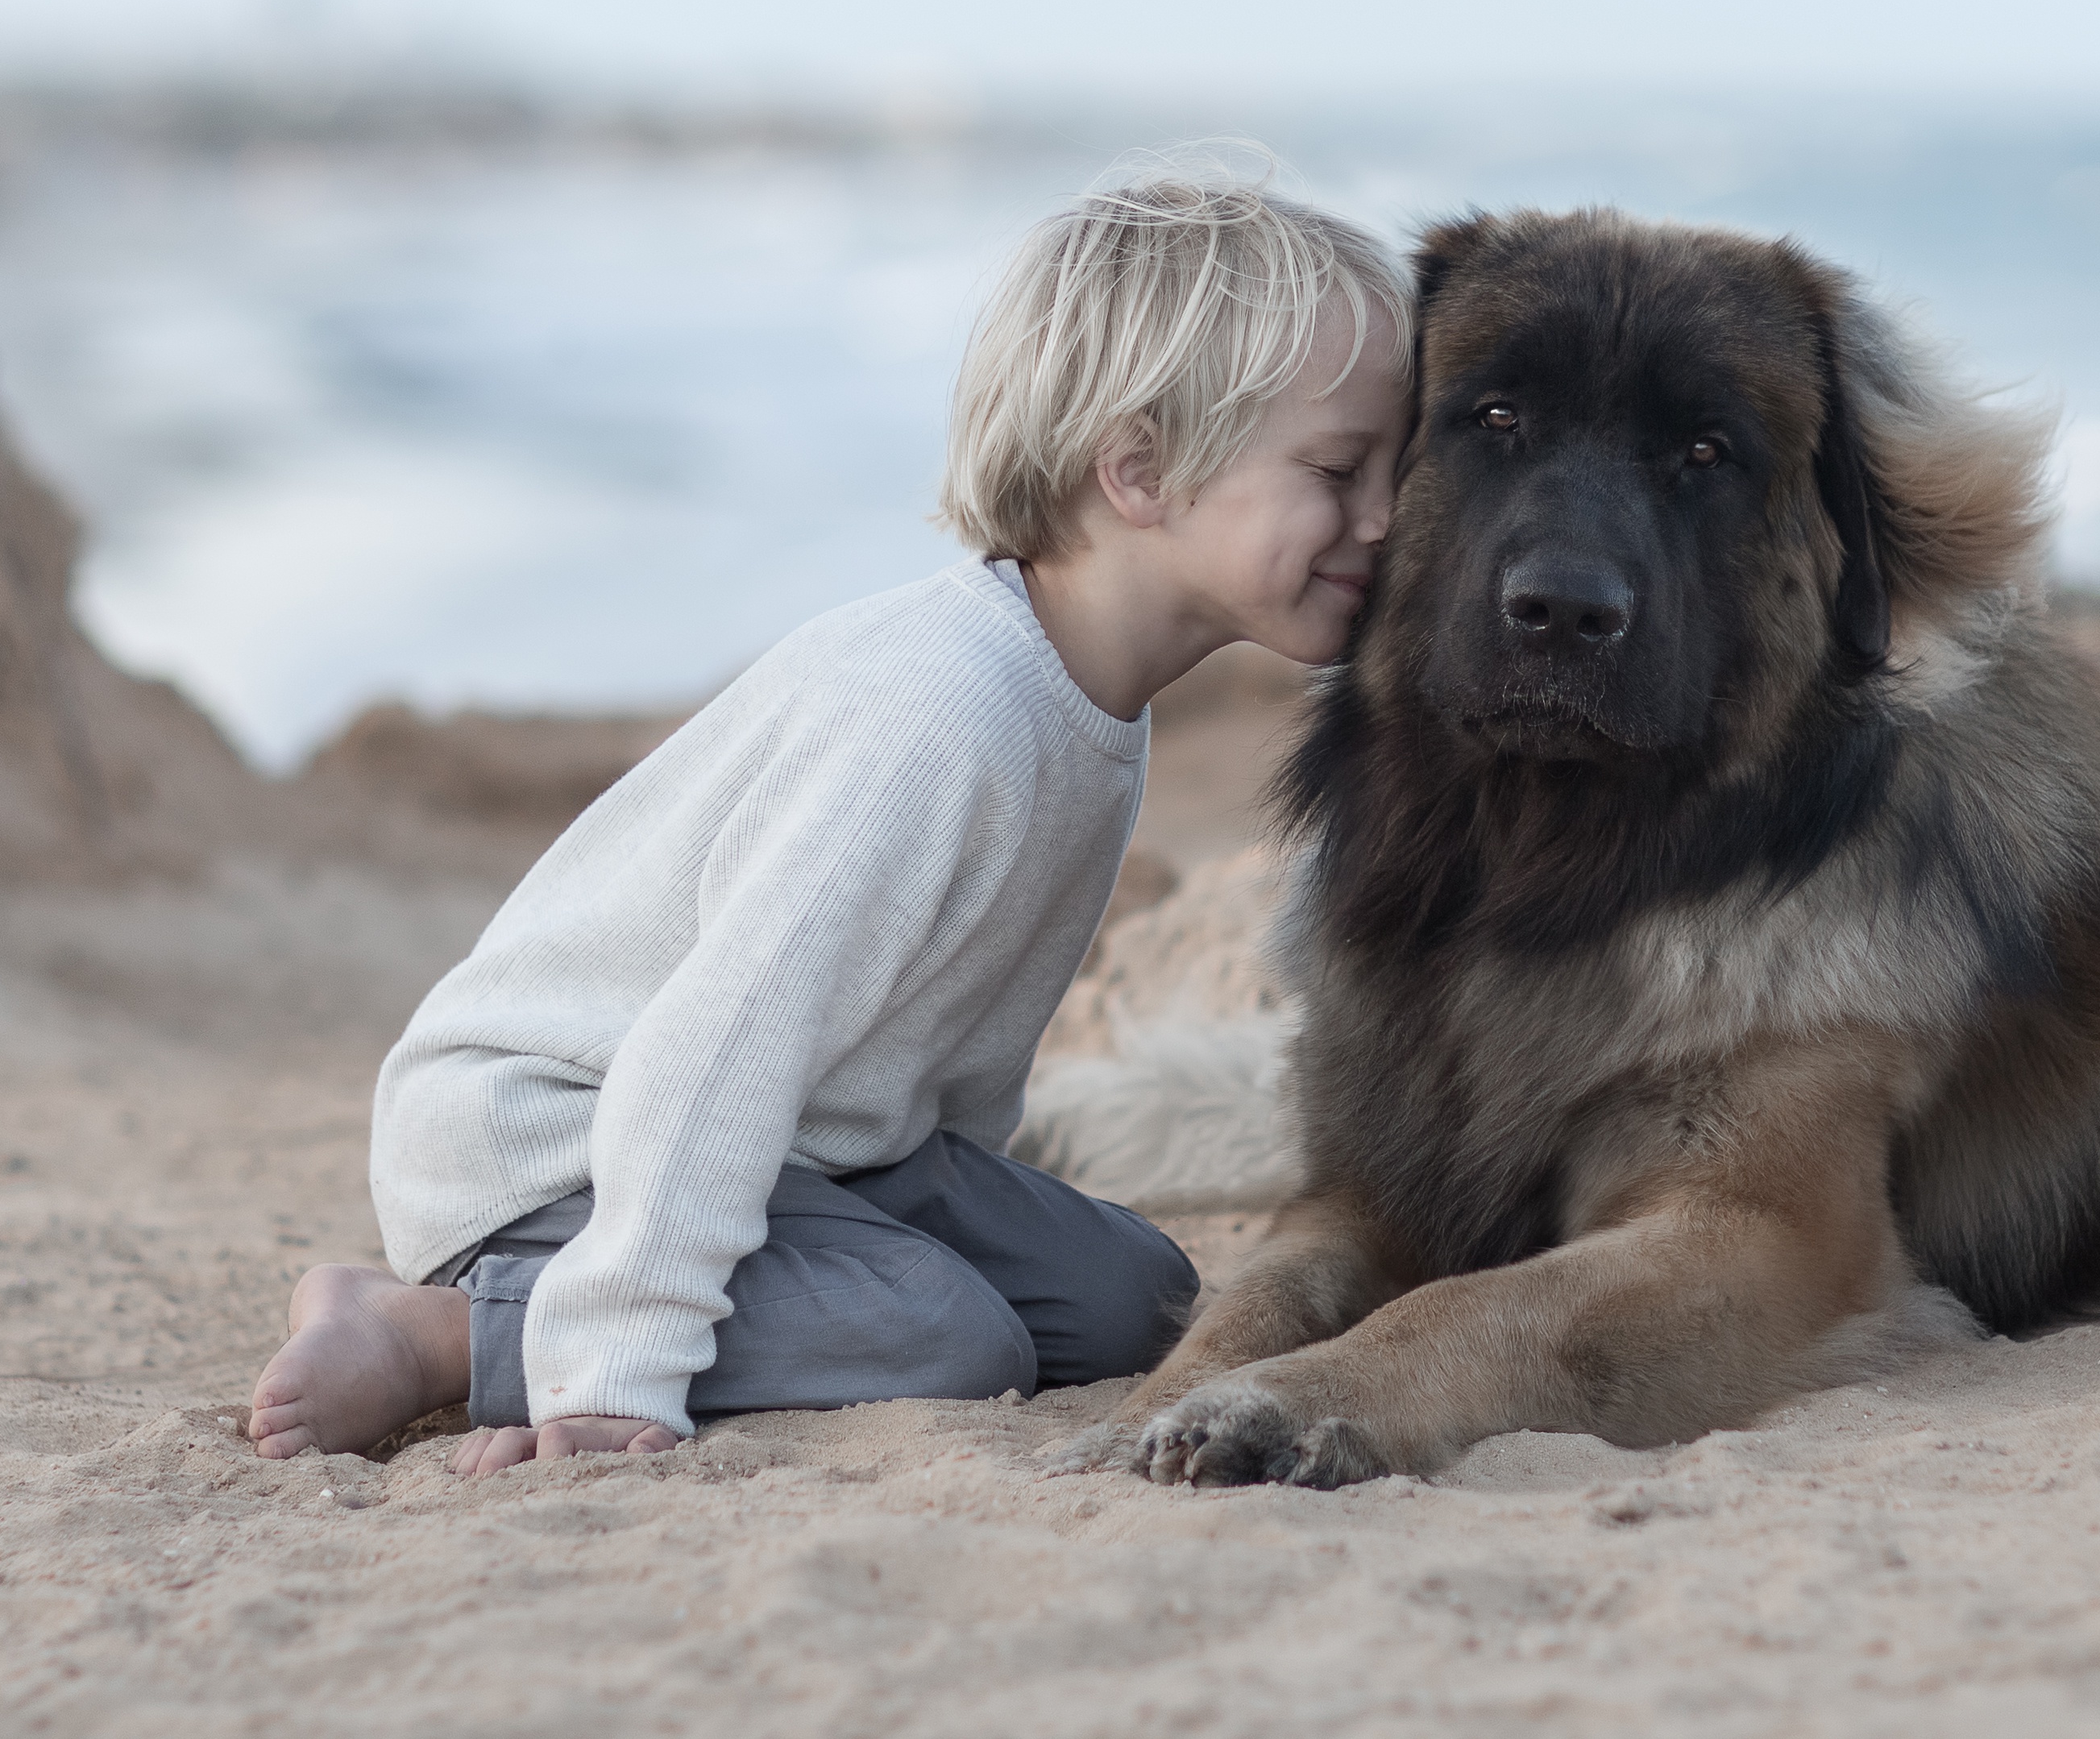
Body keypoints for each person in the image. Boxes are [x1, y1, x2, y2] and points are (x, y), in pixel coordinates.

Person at [243, 158, 1415, 1474]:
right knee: (946, 1338)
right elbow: (715, 1046)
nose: (1385, 519)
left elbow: (959, 1035)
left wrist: (959, 1210)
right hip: (560, 1135)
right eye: (1339, 469)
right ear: (1139, 471)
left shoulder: (1090, 698)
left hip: (828, 1145)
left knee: (1133, 1297)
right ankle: (433, 1334)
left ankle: (824, 1281)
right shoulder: (940, 713)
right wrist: (610, 1364)